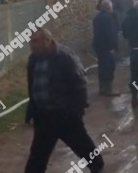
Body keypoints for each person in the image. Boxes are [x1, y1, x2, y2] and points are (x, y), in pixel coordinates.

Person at [24, 29, 104, 173]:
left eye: (35, 41)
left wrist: (76, 111)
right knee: (37, 157)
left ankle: (98, 167)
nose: (32, 45)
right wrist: (32, 110)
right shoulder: (34, 59)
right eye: (30, 41)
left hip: (65, 115)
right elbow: (32, 84)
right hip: (44, 117)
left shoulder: (65, 57)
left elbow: (80, 84)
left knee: (84, 148)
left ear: (47, 40)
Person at [92, 0, 119, 96]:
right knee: (109, 67)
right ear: (109, 7)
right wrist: (114, 46)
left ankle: (102, 89)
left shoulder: (97, 17)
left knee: (102, 67)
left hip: (98, 46)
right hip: (107, 47)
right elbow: (111, 34)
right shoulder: (108, 18)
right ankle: (108, 90)